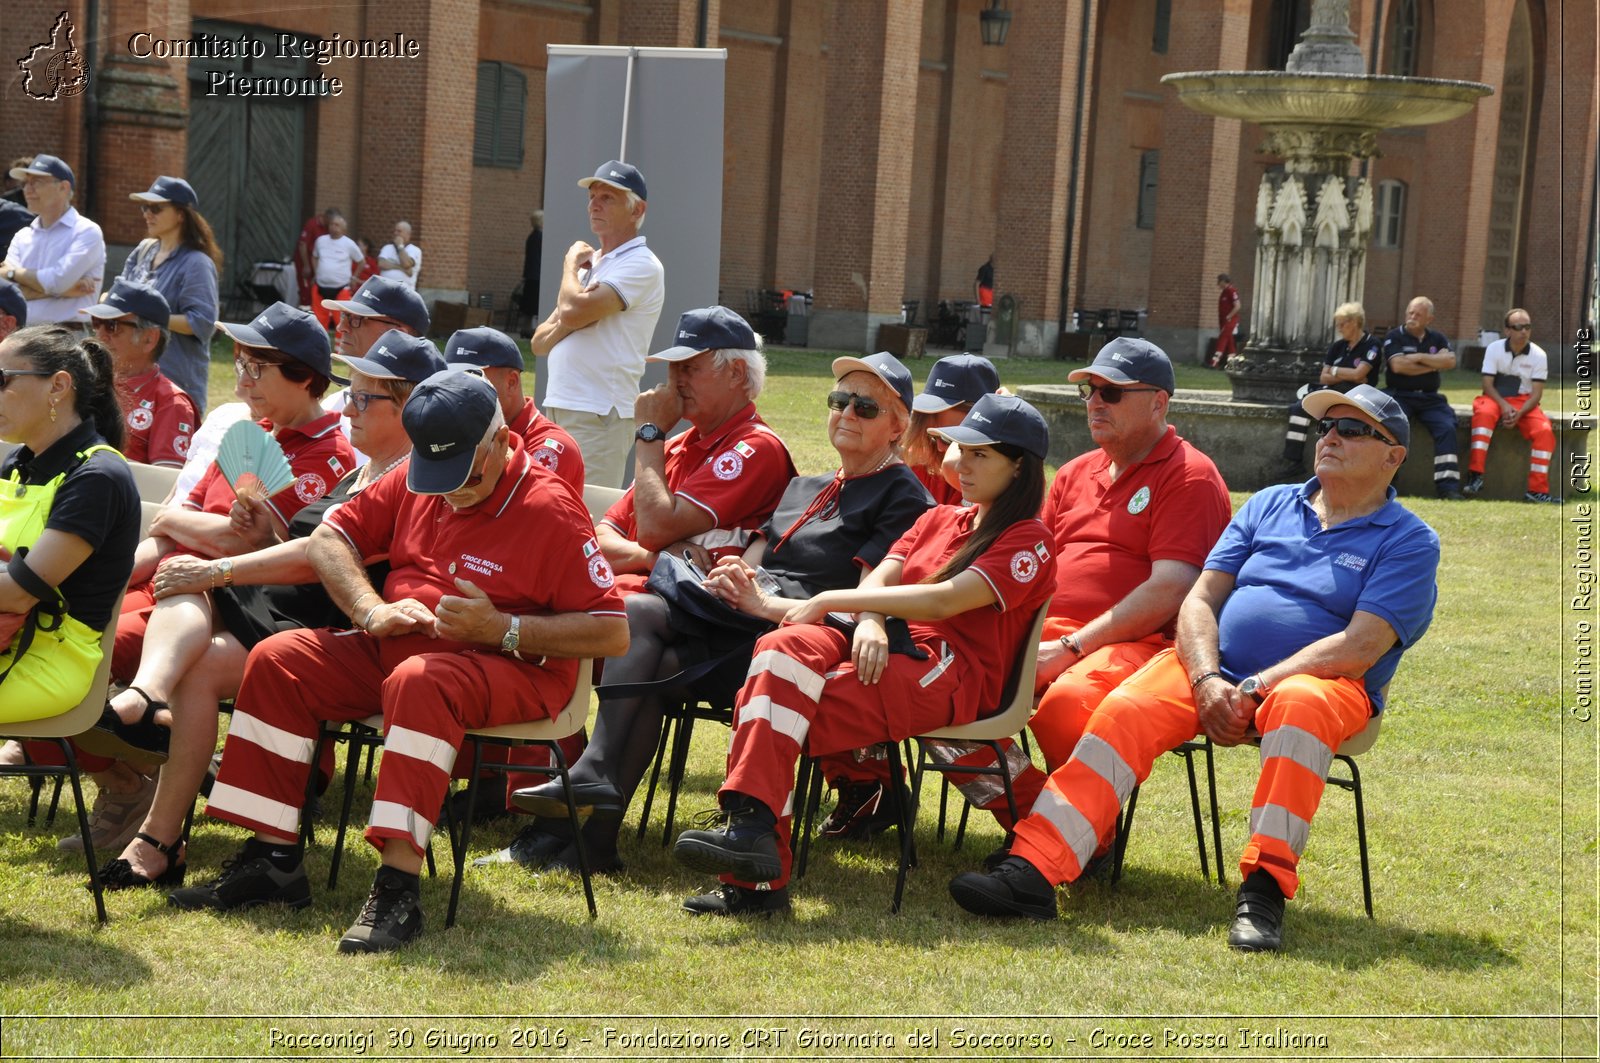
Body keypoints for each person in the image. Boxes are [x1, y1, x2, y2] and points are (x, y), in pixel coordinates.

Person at [949, 384, 1439, 954]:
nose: (1331, 437)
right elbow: (1200, 601)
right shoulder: (1268, 504)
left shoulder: (1410, 541)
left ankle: (1263, 890)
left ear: (1394, 457)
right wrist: (1209, 679)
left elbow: (1359, 646)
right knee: (1125, 707)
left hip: (1326, 685)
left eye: (1353, 431)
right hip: (1213, 671)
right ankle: (1033, 870)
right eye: (1327, 426)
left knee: (1301, 704)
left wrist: (1254, 686)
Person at [169, 370, 630, 954]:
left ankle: (397, 887)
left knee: (420, 680)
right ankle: (271, 859)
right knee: (281, 658)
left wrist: (504, 628)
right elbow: (330, 538)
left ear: (499, 441)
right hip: (403, 650)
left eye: (464, 476)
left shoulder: (550, 507)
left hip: (515, 668)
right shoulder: (416, 478)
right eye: (437, 477)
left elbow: (612, 632)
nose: (449, 492)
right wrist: (367, 608)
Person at [502, 352, 932, 874]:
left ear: (898, 425)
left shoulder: (904, 495)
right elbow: (757, 561)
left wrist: (764, 603)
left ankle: (590, 801)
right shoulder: (807, 487)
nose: (845, 413)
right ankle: (592, 826)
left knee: (642, 623)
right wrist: (735, 578)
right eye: (838, 400)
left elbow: (866, 603)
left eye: (864, 406)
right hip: (740, 624)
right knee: (644, 636)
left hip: (796, 652)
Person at [672, 393, 1056, 916]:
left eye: (980, 455)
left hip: (950, 672)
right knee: (777, 656)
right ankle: (753, 837)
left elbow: (945, 599)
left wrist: (831, 601)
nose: (961, 464)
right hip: (894, 652)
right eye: (960, 449)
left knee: (771, 709)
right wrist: (871, 619)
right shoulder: (939, 518)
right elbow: (881, 577)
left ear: (1018, 469)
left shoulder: (1029, 539)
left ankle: (755, 869)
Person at [86, 332, 445, 891]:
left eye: (364, 399)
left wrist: (219, 567)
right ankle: (152, 760)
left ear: (413, 406)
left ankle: (156, 816)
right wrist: (256, 540)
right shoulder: (367, 468)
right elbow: (294, 541)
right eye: (350, 393)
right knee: (186, 610)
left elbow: (321, 555)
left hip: (323, 625)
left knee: (190, 596)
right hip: (275, 608)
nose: (346, 405)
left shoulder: (413, 476)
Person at [937, 339, 1232, 855]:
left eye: (1112, 392)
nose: (1095, 401)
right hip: (1044, 633)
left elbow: (1170, 591)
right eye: (1090, 390)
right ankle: (1053, 824)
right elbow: (1027, 560)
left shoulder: (1190, 475)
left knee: (1065, 707)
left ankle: (1067, 841)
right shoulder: (1076, 472)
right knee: (939, 685)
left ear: (1159, 403)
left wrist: (1071, 647)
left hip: (1138, 644)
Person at [77, 301, 356, 779]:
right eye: (241, 364)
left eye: (255, 367)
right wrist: (113, 576)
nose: (242, 380)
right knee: (71, 617)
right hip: (177, 585)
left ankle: (121, 777)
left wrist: (182, 527)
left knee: (95, 645)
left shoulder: (328, 456)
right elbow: (169, 523)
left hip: (223, 603)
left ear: (306, 377)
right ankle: (113, 767)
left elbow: (239, 545)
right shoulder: (247, 435)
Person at [594, 306, 795, 595]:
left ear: (736, 373)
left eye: (688, 367)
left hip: (686, 617)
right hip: (635, 600)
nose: (675, 381)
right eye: (673, 367)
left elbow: (654, 529)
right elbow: (599, 541)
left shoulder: (756, 448)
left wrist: (649, 431)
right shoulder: (674, 444)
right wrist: (651, 558)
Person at [0, 326, 139, 727]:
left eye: (2, 379)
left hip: (47, 661)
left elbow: (17, 595)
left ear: (58, 386)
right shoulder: (17, 463)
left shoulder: (97, 476)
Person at [532, 160, 666, 489]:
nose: (594, 204)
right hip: (561, 405)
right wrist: (576, 313)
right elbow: (539, 342)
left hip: (599, 413)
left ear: (638, 210)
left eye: (608, 197)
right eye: (592, 196)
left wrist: (568, 267)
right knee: (551, 512)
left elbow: (572, 311)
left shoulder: (642, 264)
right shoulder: (591, 266)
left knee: (587, 517)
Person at [117, 176, 222, 415]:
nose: (147, 214)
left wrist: (147, 315)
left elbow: (203, 324)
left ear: (181, 214)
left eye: (156, 208)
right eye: (145, 207)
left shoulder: (197, 263)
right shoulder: (143, 251)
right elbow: (117, 299)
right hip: (132, 378)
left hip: (174, 383)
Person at [444, 326, 583, 492]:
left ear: (511, 382)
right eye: (449, 378)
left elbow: (519, 512)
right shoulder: (453, 431)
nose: (456, 388)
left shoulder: (551, 448)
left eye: (471, 378)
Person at [82, 278, 196, 468]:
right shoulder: (82, 382)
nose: (100, 334)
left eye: (112, 326)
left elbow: (164, 480)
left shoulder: (171, 403)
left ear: (149, 339)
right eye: (97, 322)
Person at [1465, 308, 1556, 503]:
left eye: (1528, 327)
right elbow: (1487, 386)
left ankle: (1537, 490)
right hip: (1495, 397)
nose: (1524, 331)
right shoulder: (1494, 349)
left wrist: (1519, 413)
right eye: (1518, 327)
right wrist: (1504, 406)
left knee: (1544, 431)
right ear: (1507, 331)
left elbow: (1537, 393)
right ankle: (1475, 475)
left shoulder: (1539, 355)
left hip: (1525, 402)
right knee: (1484, 415)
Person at [0, 155, 104, 325]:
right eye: (26, 183)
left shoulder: (86, 231)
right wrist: (64, 290)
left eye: (37, 183)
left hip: (66, 338)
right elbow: (6, 292)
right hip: (23, 337)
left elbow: (58, 281)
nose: (27, 189)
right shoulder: (22, 235)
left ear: (63, 187)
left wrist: (13, 273)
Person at [1281, 302, 1380, 479]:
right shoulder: (1338, 346)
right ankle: (1292, 461)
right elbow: (1323, 377)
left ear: (1355, 322)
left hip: (1357, 395)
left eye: (1342, 324)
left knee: (1340, 421)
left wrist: (1336, 372)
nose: (1339, 329)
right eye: (1338, 324)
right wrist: (1345, 374)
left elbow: (1360, 376)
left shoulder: (1371, 345)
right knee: (1298, 408)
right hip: (1333, 392)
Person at [1381, 296, 1463, 499]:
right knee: (1393, 426)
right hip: (1401, 395)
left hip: (1430, 399)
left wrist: (1417, 358)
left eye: (1418, 314)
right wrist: (1434, 363)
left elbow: (1451, 361)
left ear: (1429, 319)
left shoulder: (1438, 338)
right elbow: (1398, 366)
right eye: (1410, 312)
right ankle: (1387, 483)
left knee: (1446, 426)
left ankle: (1448, 488)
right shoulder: (1394, 336)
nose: (1412, 317)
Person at [904, 354, 1001, 507]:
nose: (939, 447)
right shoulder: (918, 461)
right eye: (932, 436)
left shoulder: (1006, 480)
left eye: (951, 439)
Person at [312, 212, 363, 307]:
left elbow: (361, 261)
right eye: (331, 224)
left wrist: (354, 278)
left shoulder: (349, 244)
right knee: (319, 319)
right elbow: (314, 256)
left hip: (341, 287)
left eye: (337, 225)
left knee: (341, 318)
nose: (333, 227)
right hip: (320, 285)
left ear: (344, 229)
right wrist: (316, 272)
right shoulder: (320, 241)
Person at [293, 208, 333, 308]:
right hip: (305, 262)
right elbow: (302, 245)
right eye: (331, 223)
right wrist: (306, 265)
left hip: (316, 263)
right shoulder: (312, 224)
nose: (332, 226)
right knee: (305, 291)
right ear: (326, 218)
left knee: (313, 290)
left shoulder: (326, 228)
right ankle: (303, 312)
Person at [1210, 273, 1240, 368]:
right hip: (1223, 321)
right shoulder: (1224, 292)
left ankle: (1214, 361)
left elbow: (1238, 306)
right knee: (1229, 340)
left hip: (1230, 320)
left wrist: (1229, 316)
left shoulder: (1231, 291)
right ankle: (1233, 362)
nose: (1218, 284)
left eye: (1219, 282)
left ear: (1223, 281)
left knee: (1222, 338)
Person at [377, 221, 421, 288]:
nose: (395, 233)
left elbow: (406, 264)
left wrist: (400, 246)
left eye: (399, 231)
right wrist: (400, 268)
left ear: (408, 234)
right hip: (385, 290)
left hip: (405, 291)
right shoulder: (387, 248)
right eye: (395, 231)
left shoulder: (415, 250)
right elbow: (381, 264)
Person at [520, 210, 543, 335]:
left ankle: (527, 329)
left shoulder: (532, 236)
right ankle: (531, 330)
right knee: (534, 305)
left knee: (529, 306)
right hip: (536, 276)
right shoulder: (539, 237)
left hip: (531, 275)